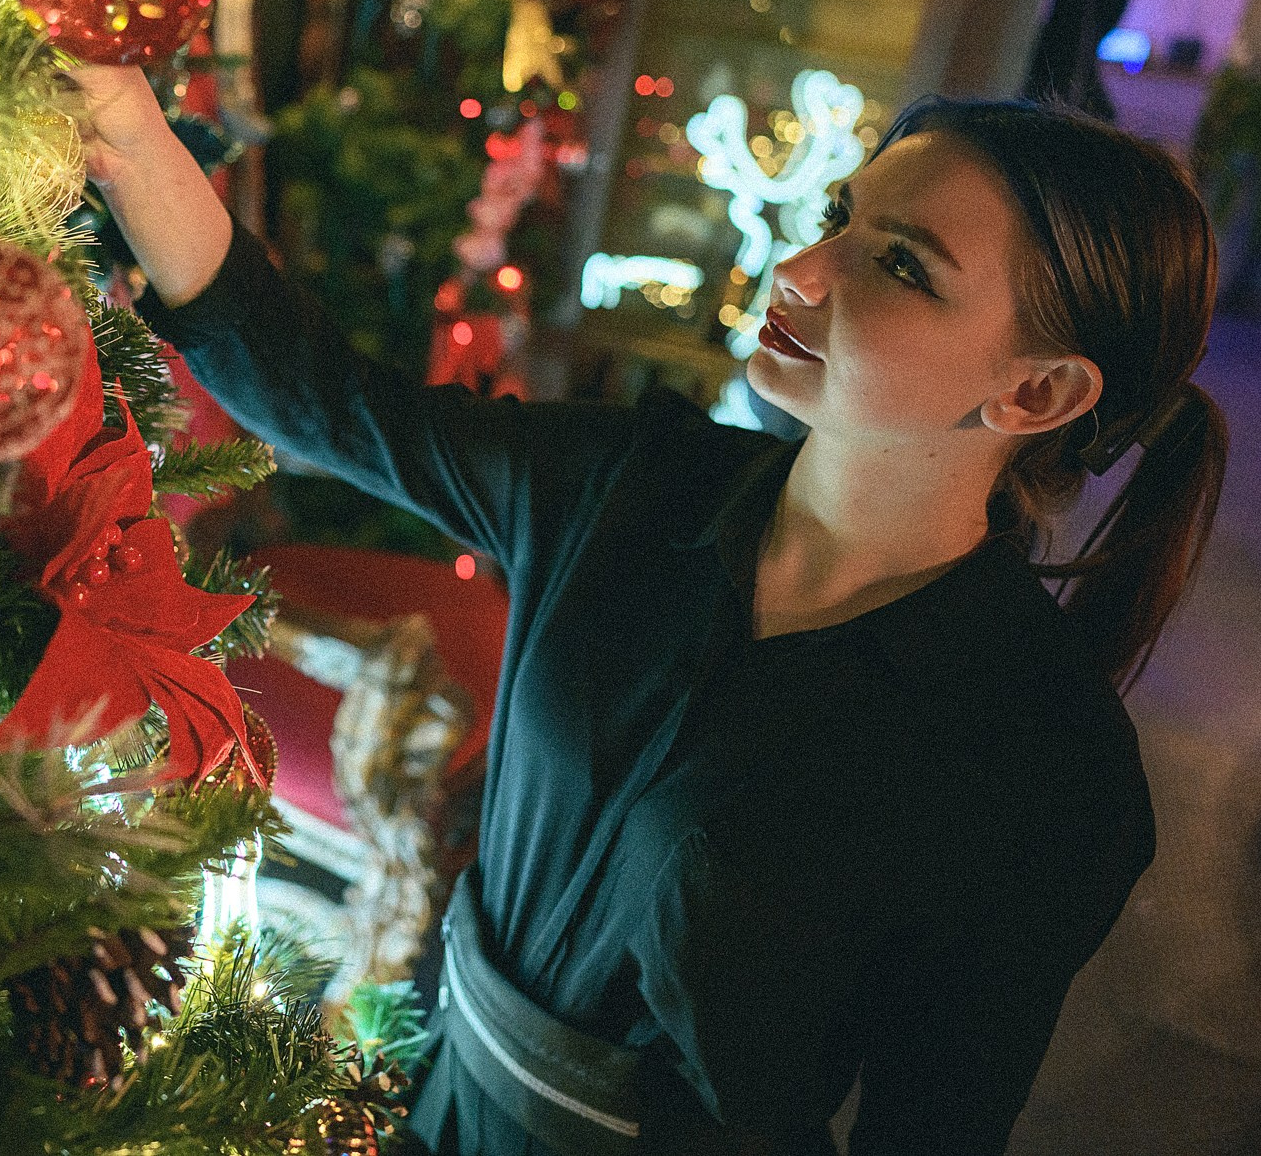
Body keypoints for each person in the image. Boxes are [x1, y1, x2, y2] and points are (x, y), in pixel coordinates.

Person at [68, 63, 1229, 1156]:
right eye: (836, 216)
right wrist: (125, 127)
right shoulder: (632, 485)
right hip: (420, 1095)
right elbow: (326, 400)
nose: (802, 270)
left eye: (901, 264)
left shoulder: (1042, 768)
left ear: (1035, 389)